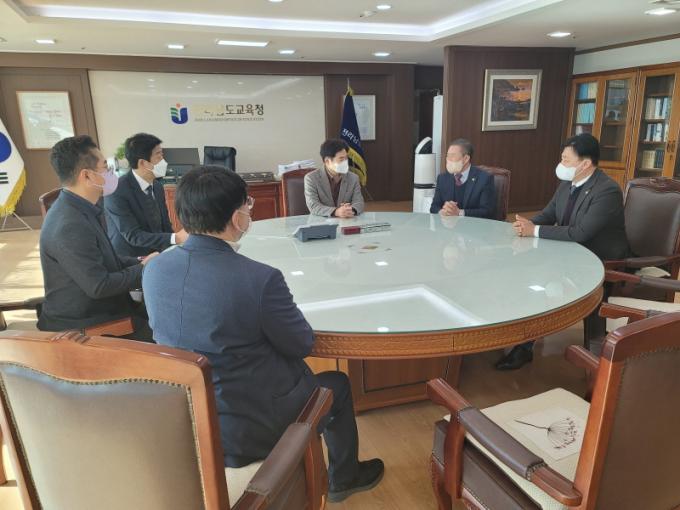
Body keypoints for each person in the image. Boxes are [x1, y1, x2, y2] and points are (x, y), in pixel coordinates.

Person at [142, 166, 384, 502]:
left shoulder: (154, 269)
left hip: (190, 413)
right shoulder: (258, 278)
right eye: (247, 205)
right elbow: (301, 343)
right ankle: (344, 479)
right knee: (338, 385)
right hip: (251, 425)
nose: (249, 212)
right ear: (235, 217)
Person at [496, 133, 630, 370]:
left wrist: (535, 231)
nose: (561, 164)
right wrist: (524, 225)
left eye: (566, 160)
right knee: (519, 271)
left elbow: (580, 232)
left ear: (585, 164)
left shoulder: (607, 191)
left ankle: (526, 347)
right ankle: (513, 336)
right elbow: (548, 215)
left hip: (598, 261)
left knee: (538, 282)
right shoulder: (568, 183)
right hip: (568, 253)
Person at [38, 135, 156, 340]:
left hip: (108, 308)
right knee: (169, 335)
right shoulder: (69, 224)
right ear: (87, 176)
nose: (111, 174)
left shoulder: (79, 207)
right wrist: (145, 269)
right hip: (87, 325)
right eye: (105, 168)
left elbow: (105, 259)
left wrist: (140, 261)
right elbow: (99, 286)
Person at [104, 133, 188, 257]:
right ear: (143, 163)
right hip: (131, 258)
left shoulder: (157, 186)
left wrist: (175, 247)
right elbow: (133, 236)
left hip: (157, 253)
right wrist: (176, 238)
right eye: (158, 156)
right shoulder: (116, 191)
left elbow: (165, 225)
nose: (164, 161)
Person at [430, 139, 496, 219]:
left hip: (473, 225)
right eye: (447, 156)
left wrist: (459, 212)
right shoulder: (442, 178)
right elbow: (434, 207)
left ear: (466, 159)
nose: (448, 159)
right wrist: (443, 211)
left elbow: (487, 211)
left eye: (452, 156)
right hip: (448, 224)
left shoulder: (484, 179)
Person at [304, 139, 364, 217]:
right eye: (341, 159)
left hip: (346, 221)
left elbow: (359, 202)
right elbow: (313, 205)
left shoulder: (353, 178)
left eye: (346, 158)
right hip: (321, 221)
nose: (345, 162)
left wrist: (350, 210)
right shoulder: (311, 178)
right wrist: (336, 212)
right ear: (327, 161)